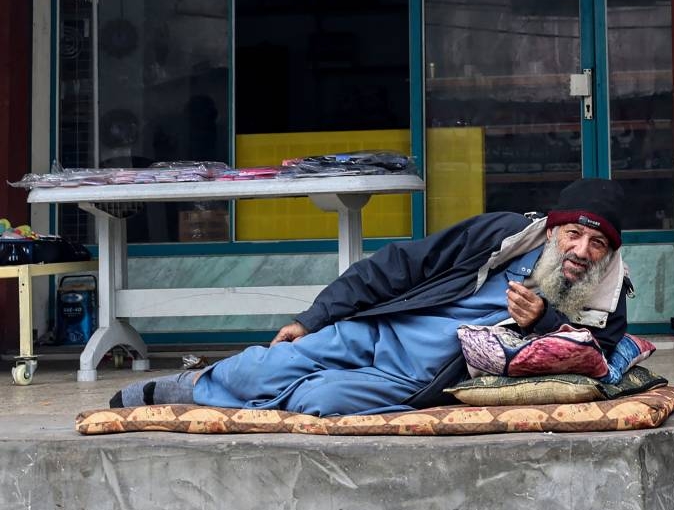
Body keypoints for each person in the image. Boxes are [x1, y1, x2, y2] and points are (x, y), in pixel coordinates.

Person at [111, 178, 632, 415]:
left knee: (319, 401)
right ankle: (196, 385)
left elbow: (598, 359)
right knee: (267, 365)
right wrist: (315, 316)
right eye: (574, 234)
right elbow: (399, 264)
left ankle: (228, 392)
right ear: (552, 230)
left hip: (415, 377)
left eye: (598, 243)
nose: (582, 251)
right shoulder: (503, 234)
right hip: (378, 330)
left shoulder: (607, 294)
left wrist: (542, 323)